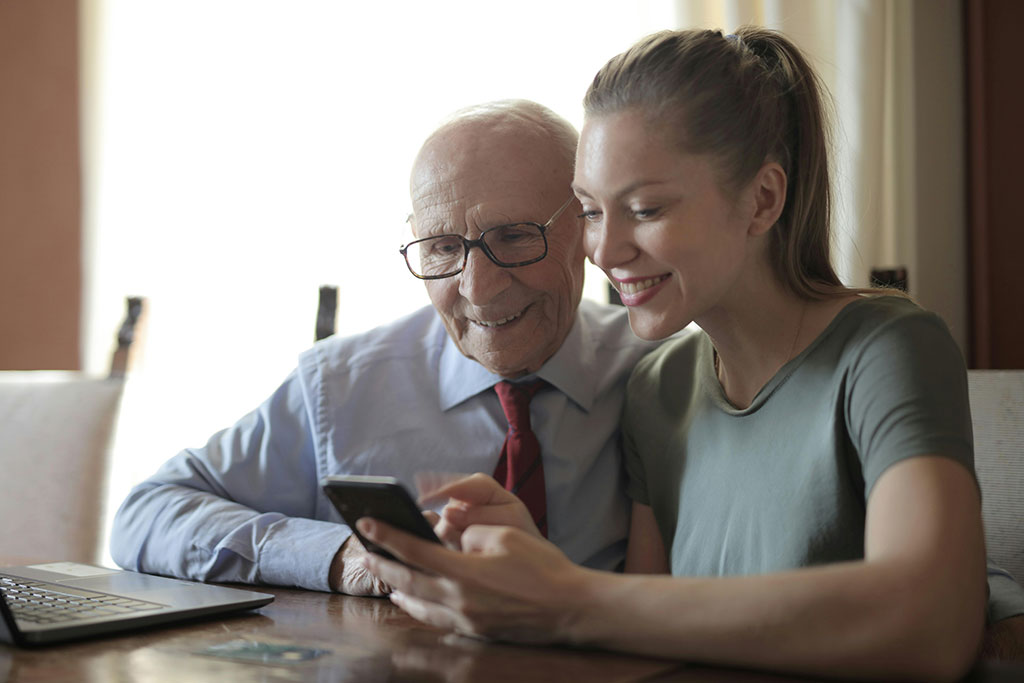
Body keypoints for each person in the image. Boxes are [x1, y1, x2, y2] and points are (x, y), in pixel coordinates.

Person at [357, 28, 1013, 679]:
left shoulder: (887, 349)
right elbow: (647, 639)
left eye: (643, 209)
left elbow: (931, 624)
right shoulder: (659, 388)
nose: (605, 252)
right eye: (589, 210)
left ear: (762, 199)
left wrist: (562, 595)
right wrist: (534, 571)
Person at [109, 99, 656, 595]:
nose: (477, 288)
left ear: (587, 226)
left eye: (514, 237)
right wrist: (338, 556)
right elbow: (146, 514)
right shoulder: (340, 386)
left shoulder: (662, 376)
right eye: (443, 247)